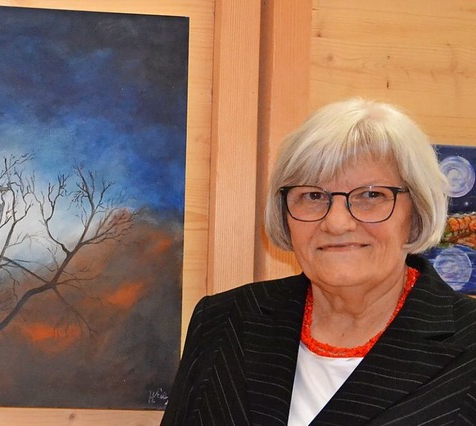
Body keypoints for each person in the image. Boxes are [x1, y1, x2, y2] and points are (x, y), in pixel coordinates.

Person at [161, 98, 476, 425]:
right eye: (313, 196)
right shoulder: (222, 320)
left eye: (371, 195)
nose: (336, 223)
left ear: (416, 212)